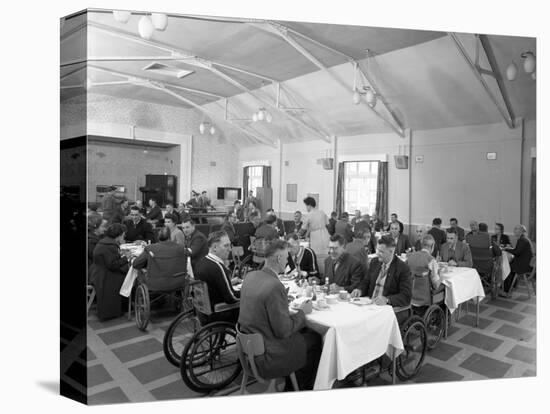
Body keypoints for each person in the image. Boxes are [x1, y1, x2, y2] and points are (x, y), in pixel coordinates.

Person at [238, 240, 322, 391]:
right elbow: (283, 331)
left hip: (248, 349)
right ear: (278, 259)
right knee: (315, 339)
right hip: (268, 357)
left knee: (303, 334)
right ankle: (299, 388)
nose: (287, 260)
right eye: (286, 257)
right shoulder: (275, 286)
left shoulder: (250, 277)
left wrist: (282, 300)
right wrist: (303, 312)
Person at [351, 235, 412, 317]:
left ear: (391, 251)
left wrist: (387, 299)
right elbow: (366, 282)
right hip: (370, 306)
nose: (377, 254)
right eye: (377, 250)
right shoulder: (374, 262)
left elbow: (406, 296)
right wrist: (360, 290)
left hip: (388, 310)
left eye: (381, 252)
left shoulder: (403, 269)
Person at [195, 231, 240, 324]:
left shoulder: (202, 262)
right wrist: (248, 292)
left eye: (230, 245)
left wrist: (229, 282)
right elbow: (231, 298)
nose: (230, 249)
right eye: (226, 246)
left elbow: (212, 285)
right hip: (218, 313)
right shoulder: (217, 266)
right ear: (215, 247)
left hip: (203, 312)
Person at [89, 223, 129, 321]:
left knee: (126, 271)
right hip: (104, 275)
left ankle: (124, 305)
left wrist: (121, 256)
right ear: (119, 235)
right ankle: (124, 306)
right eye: (123, 234)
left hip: (97, 271)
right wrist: (127, 258)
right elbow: (113, 265)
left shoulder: (105, 242)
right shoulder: (110, 246)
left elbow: (110, 260)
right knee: (128, 277)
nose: (124, 236)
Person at [132, 227, 188, 291]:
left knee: (139, 271)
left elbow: (136, 264)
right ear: (170, 236)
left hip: (155, 284)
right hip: (178, 282)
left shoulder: (150, 248)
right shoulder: (181, 248)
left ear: (158, 237)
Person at [406, 235, 443, 307]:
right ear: (432, 246)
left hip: (410, 297)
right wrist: (440, 273)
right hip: (425, 299)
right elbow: (436, 286)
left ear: (421, 245)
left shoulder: (410, 257)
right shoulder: (431, 260)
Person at [502, 225, 533, 295]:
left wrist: (506, 249)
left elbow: (517, 252)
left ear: (521, 231)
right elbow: (518, 251)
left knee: (506, 267)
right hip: (525, 262)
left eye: (516, 229)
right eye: (514, 229)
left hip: (523, 265)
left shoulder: (522, 240)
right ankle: (512, 285)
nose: (514, 231)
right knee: (509, 264)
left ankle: (506, 291)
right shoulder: (523, 238)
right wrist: (510, 249)